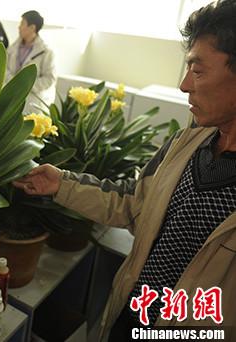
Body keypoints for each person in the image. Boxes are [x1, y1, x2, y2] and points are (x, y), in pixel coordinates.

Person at [14, 1, 236, 340]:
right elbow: (133, 202)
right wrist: (61, 184)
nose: (184, 85)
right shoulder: (186, 144)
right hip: (129, 319)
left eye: (199, 70)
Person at [6, 10, 55, 113]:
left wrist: (27, 85)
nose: (19, 27)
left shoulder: (46, 52)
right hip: (11, 98)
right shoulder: (12, 48)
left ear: (32, 28)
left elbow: (50, 78)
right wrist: (14, 82)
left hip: (31, 103)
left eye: (22, 24)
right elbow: (5, 69)